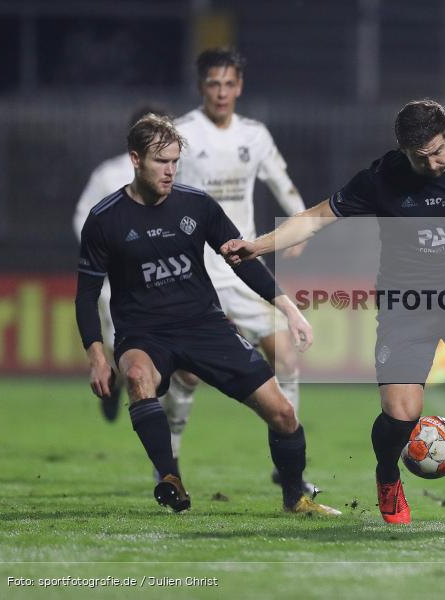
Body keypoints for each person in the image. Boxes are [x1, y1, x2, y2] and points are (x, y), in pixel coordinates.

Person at [222, 100, 445, 530]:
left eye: (438, 152)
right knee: (402, 414)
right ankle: (388, 474)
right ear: (403, 151)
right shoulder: (382, 178)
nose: (432, 164)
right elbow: (315, 218)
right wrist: (256, 246)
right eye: (420, 157)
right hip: (408, 305)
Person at [75, 114, 339, 516]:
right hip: (143, 334)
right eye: (161, 161)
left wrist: (289, 309)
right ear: (135, 159)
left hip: (204, 327)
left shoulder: (196, 205)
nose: (170, 170)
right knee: (136, 376)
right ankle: (169, 477)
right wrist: (97, 355)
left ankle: (294, 499)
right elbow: (86, 295)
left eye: (174, 161)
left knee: (283, 414)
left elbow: (243, 260)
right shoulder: (104, 219)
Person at [164, 48, 314, 494]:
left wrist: (298, 224)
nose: (222, 92)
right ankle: (168, 459)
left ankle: (288, 467)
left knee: (286, 356)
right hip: (197, 270)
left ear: (240, 87)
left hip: (243, 265)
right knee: (188, 374)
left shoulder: (255, 134)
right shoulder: (183, 134)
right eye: (214, 84)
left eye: (230, 84)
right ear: (201, 87)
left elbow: (282, 182)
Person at [73, 105, 167, 422]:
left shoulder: (175, 173)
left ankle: (144, 395)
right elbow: (83, 217)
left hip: (163, 277)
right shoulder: (108, 174)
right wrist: (101, 254)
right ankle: (121, 385)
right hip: (118, 280)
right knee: (123, 340)